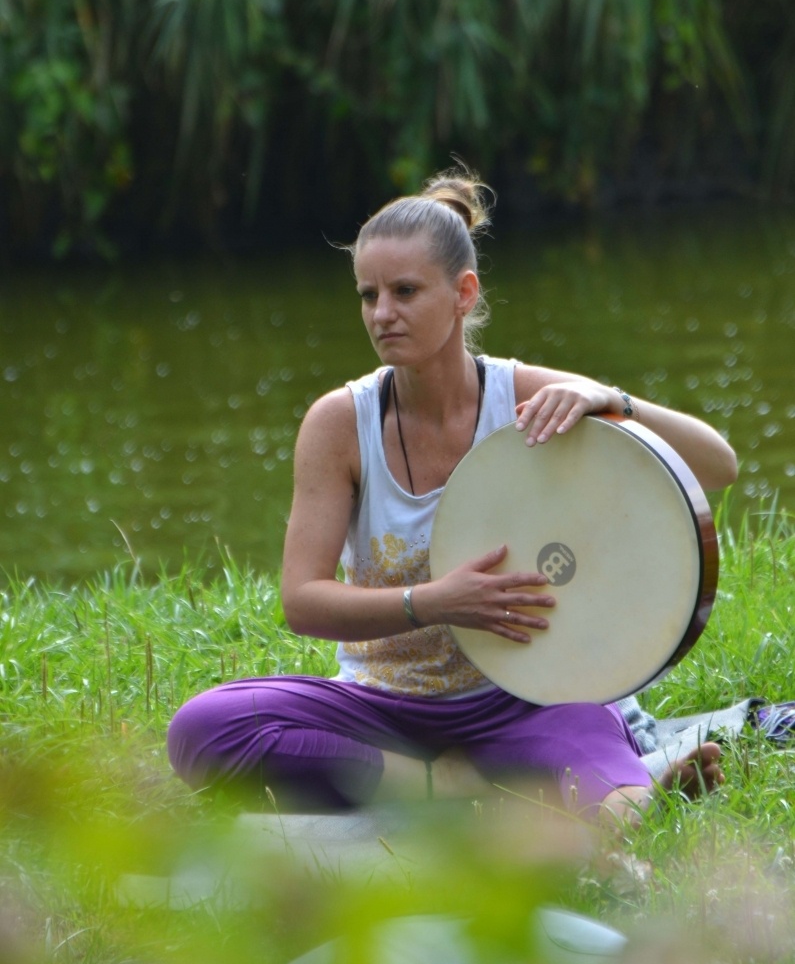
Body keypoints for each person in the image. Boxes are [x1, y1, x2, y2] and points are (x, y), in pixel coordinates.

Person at [168, 169, 737, 825]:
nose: (382, 314)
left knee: (612, 801)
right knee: (202, 730)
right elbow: (302, 601)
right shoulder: (338, 424)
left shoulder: (521, 396)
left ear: (462, 293)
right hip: (383, 709)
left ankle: (630, 793)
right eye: (368, 295)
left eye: (404, 292)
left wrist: (608, 401)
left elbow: (714, 463)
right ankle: (462, 785)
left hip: (524, 701)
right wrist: (433, 603)